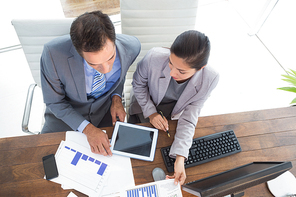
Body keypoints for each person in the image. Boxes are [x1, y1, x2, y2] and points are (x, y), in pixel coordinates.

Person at [40, 11, 141, 156]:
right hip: (66, 116)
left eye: (111, 58)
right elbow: (54, 103)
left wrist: (116, 98)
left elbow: (121, 75)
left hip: (104, 113)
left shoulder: (132, 47)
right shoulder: (53, 55)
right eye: (94, 64)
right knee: (43, 159)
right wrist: (88, 129)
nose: (106, 69)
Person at [128, 30, 219, 185]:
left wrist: (180, 158)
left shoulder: (210, 78)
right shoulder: (154, 57)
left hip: (173, 115)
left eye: (181, 71)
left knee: (159, 154)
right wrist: (151, 113)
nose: (172, 72)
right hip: (143, 105)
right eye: (171, 62)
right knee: (134, 157)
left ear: (201, 68)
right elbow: (138, 84)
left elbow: (190, 116)